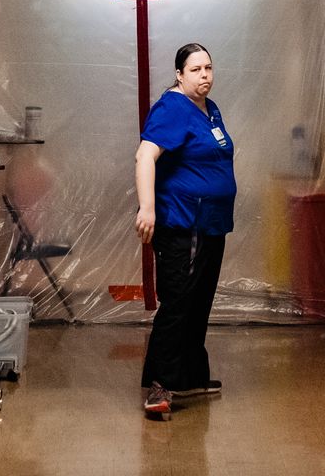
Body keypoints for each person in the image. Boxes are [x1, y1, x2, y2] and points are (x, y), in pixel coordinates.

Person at [134, 42, 237, 420]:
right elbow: (145, 155)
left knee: (200, 301)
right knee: (178, 304)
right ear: (179, 74)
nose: (204, 75)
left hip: (210, 223)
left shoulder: (209, 109)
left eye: (208, 68)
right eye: (195, 70)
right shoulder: (172, 108)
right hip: (182, 224)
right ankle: (160, 385)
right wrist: (147, 207)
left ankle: (191, 374)